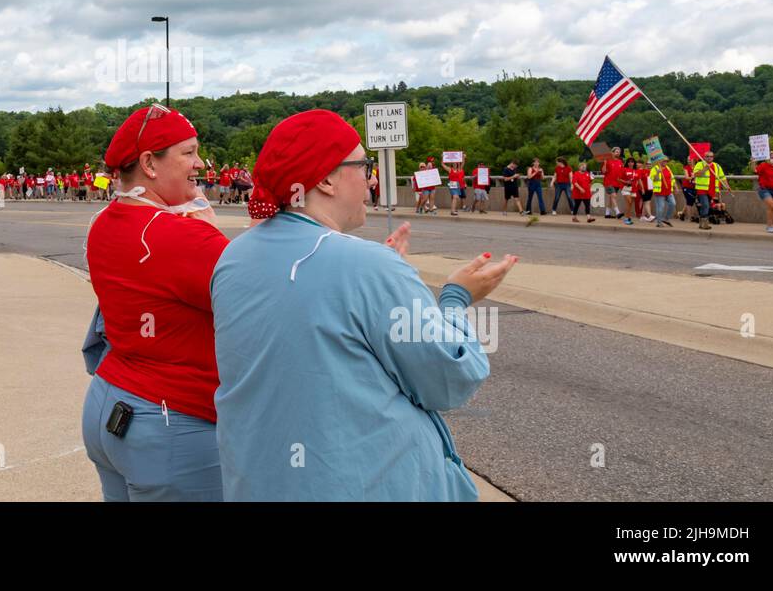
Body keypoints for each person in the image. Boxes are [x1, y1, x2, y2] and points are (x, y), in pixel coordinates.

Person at [210, 110, 517, 501]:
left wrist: (385, 281)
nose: (371, 179)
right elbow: (450, 377)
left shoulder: (233, 258)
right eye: (363, 165)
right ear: (324, 179)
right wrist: (455, 298)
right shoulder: (366, 266)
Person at [81, 104, 229, 501]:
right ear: (149, 163)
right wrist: (211, 235)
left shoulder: (105, 221)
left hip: (109, 400)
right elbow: (263, 306)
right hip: (171, 420)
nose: (200, 163)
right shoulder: (184, 237)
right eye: (188, 153)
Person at [690, 150, 730, 231]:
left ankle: (701, 222)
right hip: (701, 189)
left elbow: (722, 177)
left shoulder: (717, 166)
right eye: (707, 156)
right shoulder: (700, 164)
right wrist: (704, 169)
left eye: (711, 156)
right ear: (704, 157)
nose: (709, 158)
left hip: (711, 190)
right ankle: (705, 223)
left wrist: (727, 186)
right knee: (705, 205)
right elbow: (695, 174)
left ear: (713, 157)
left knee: (707, 206)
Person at [649, 158, 677, 227]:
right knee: (660, 207)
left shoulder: (668, 168)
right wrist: (658, 172)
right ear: (659, 161)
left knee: (673, 204)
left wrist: (675, 186)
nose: (665, 162)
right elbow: (653, 179)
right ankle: (659, 222)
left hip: (668, 191)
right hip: (660, 192)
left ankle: (666, 219)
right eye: (664, 161)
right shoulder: (655, 169)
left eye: (666, 161)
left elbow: (672, 178)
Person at [603, 149, 626, 218]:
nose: (618, 153)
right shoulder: (608, 161)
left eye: (619, 152)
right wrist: (604, 163)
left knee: (611, 198)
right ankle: (617, 212)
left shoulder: (620, 162)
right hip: (608, 182)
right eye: (616, 152)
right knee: (613, 196)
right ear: (612, 153)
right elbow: (604, 171)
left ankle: (607, 214)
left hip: (617, 183)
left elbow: (622, 173)